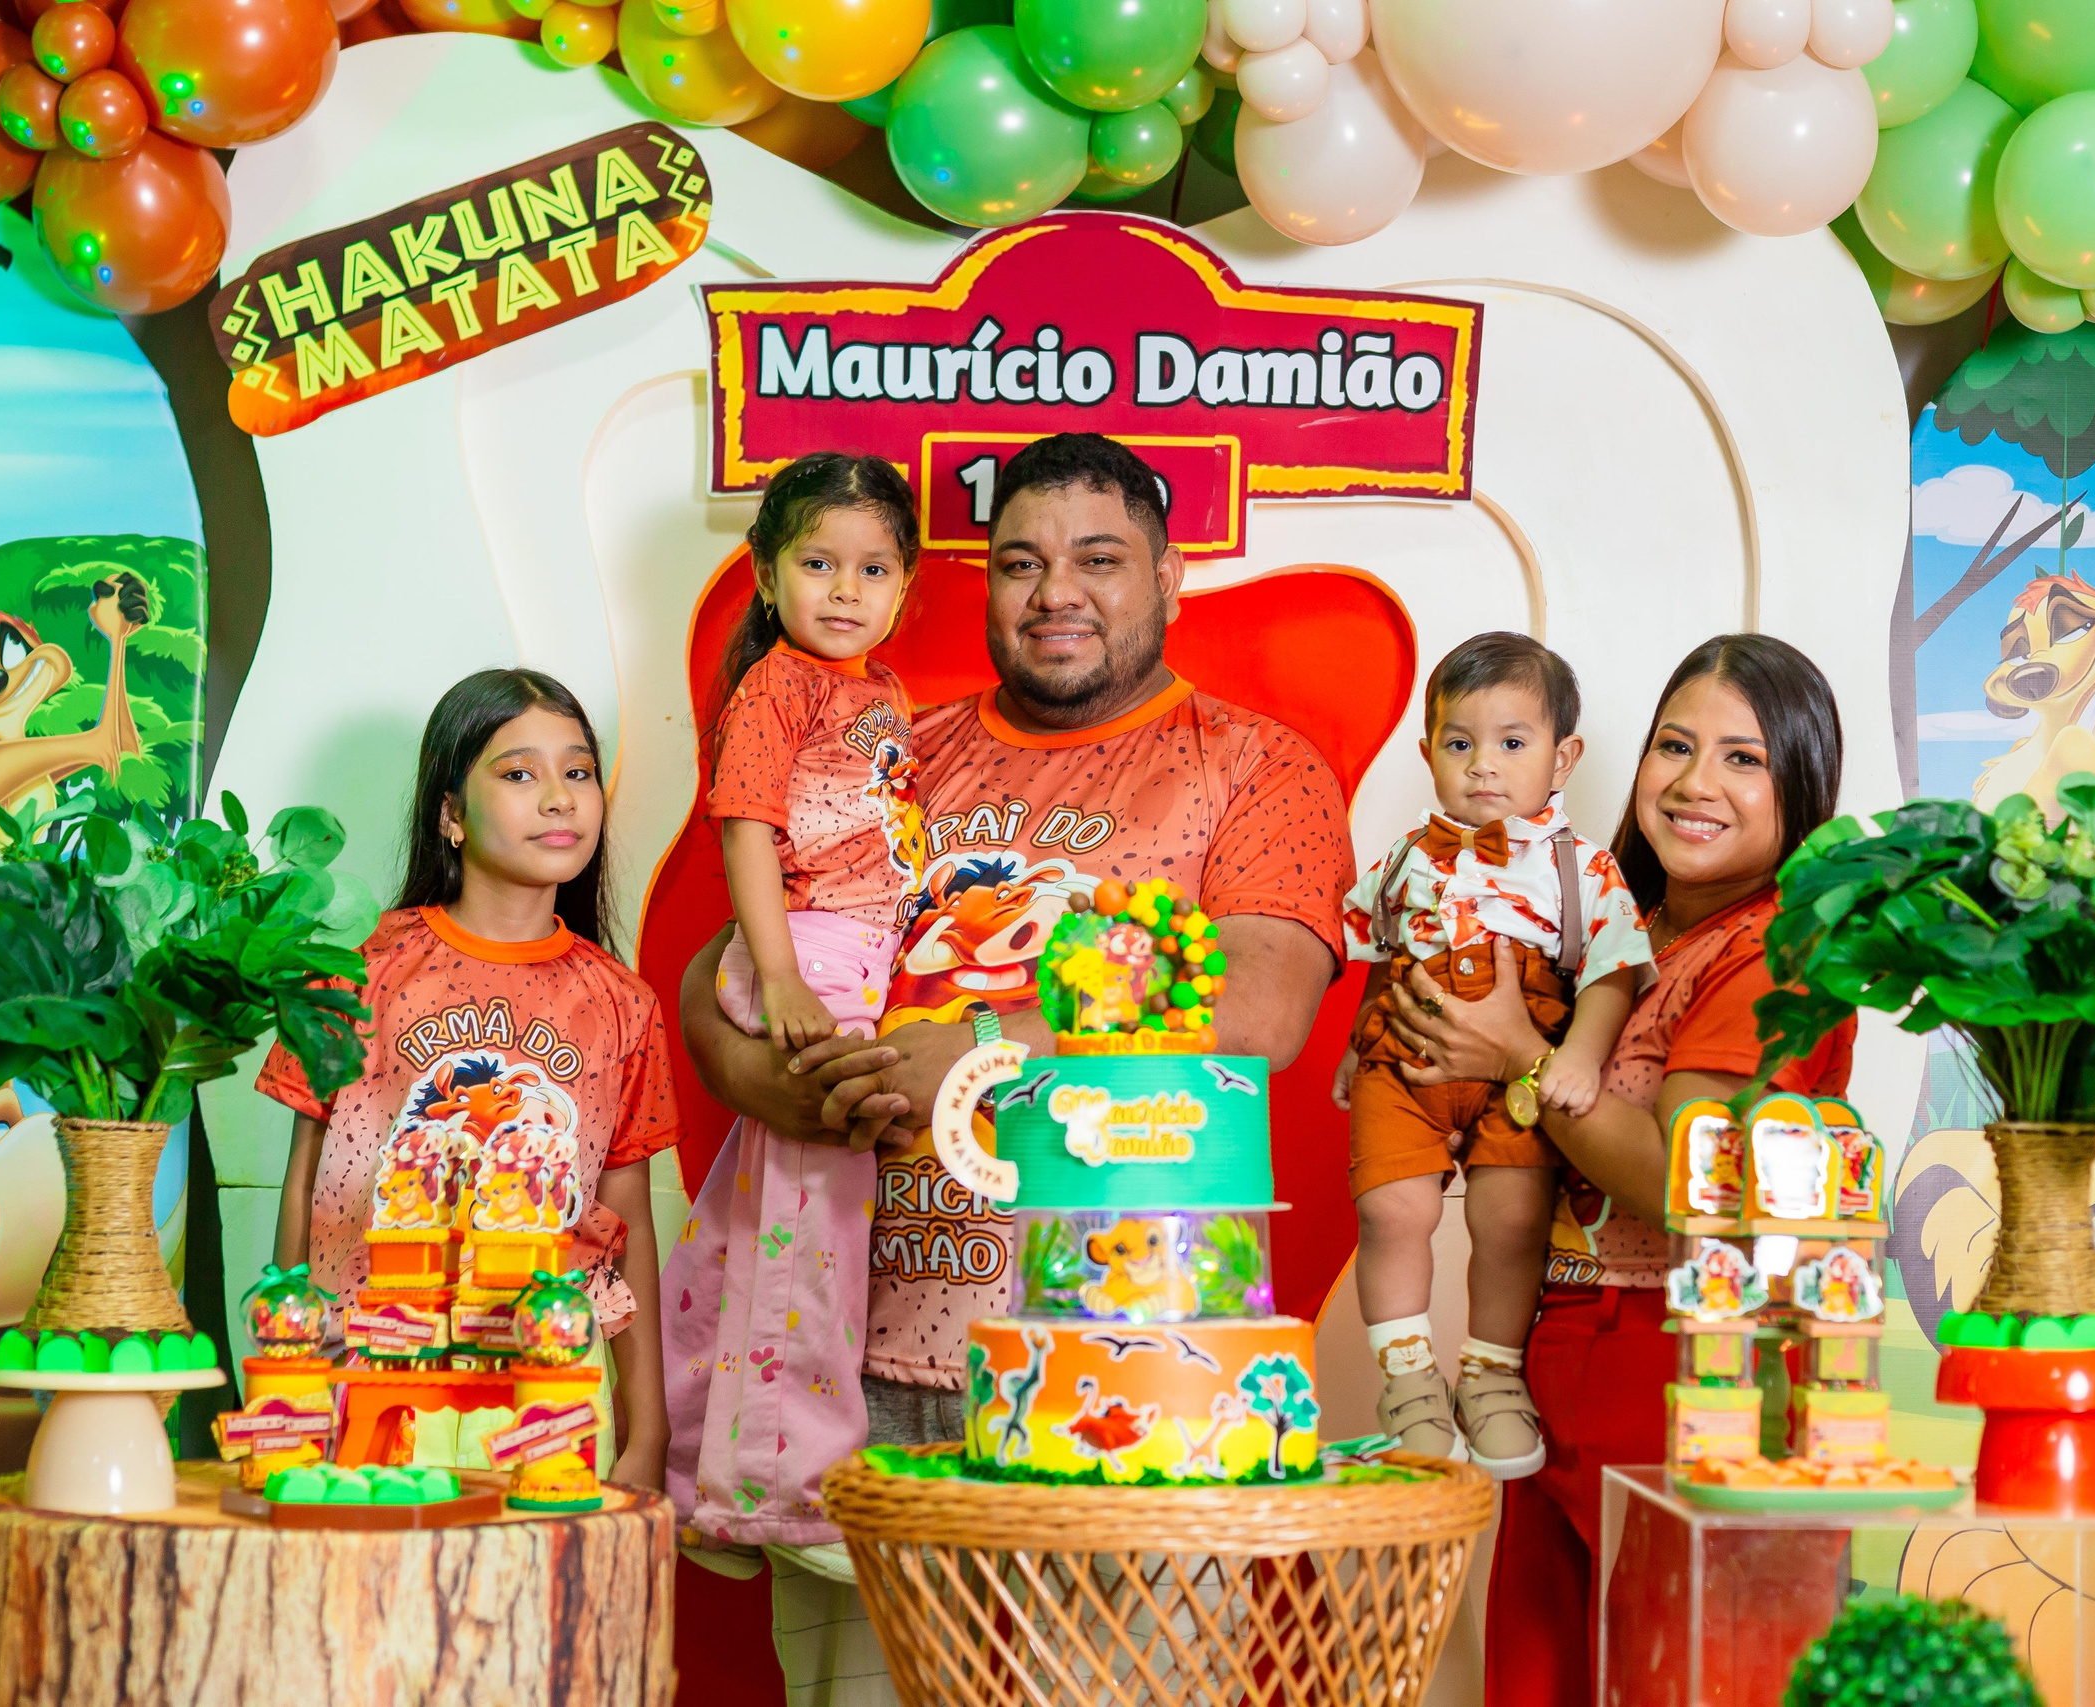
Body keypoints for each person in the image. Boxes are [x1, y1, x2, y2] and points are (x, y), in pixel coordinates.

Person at [674, 432, 1356, 1694]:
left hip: (1125, 1375)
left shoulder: (1253, 764)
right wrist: (772, 1076)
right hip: (859, 1372)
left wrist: (982, 1058)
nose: (1056, 593)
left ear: (1169, 574)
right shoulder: (897, 746)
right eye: (1019, 563)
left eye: (1098, 560)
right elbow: (723, 964)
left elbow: (1258, 1012)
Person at [1372, 633, 1851, 1707]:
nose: (1693, 783)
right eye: (1675, 745)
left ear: (1804, 787)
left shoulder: (1774, 951)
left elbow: (1695, 1183)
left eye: (1744, 759)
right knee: (1543, 1681)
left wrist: (1514, 1056)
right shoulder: (1602, 932)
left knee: (1691, 1677)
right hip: (1550, 1355)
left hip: (1686, 1363)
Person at [263, 668, 675, 1491]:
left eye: (579, 770)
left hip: (548, 1390)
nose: (560, 797)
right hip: (371, 1378)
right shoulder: (358, 967)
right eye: (519, 772)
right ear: (449, 813)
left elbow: (627, 1218)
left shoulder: (623, 1003)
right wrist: (285, 1373)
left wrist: (649, 1428)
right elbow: (303, 1182)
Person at [665, 453, 924, 1570]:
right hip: (805, 958)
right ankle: (789, 1492)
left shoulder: (882, 696)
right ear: (768, 577)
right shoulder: (780, 682)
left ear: (905, 584)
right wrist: (777, 980)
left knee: (742, 1229)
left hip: (851, 957)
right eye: (817, 563)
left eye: (872, 567)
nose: (845, 589)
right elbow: (746, 829)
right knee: (813, 1232)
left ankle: (700, 1478)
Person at [1334, 632, 1651, 1476]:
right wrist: (1353, 1046)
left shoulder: (1580, 867)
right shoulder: (1402, 857)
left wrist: (1578, 1056)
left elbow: (1614, 970)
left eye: (1512, 743)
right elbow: (1377, 957)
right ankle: (1406, 1376)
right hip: (1401, 1063)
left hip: (1523, 1069)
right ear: (1428, 752)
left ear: (1562, 758)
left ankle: (1491, 1374)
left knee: (1509, 1221)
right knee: (1391, 1211)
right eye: (1460, 743)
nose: (1483, 765)